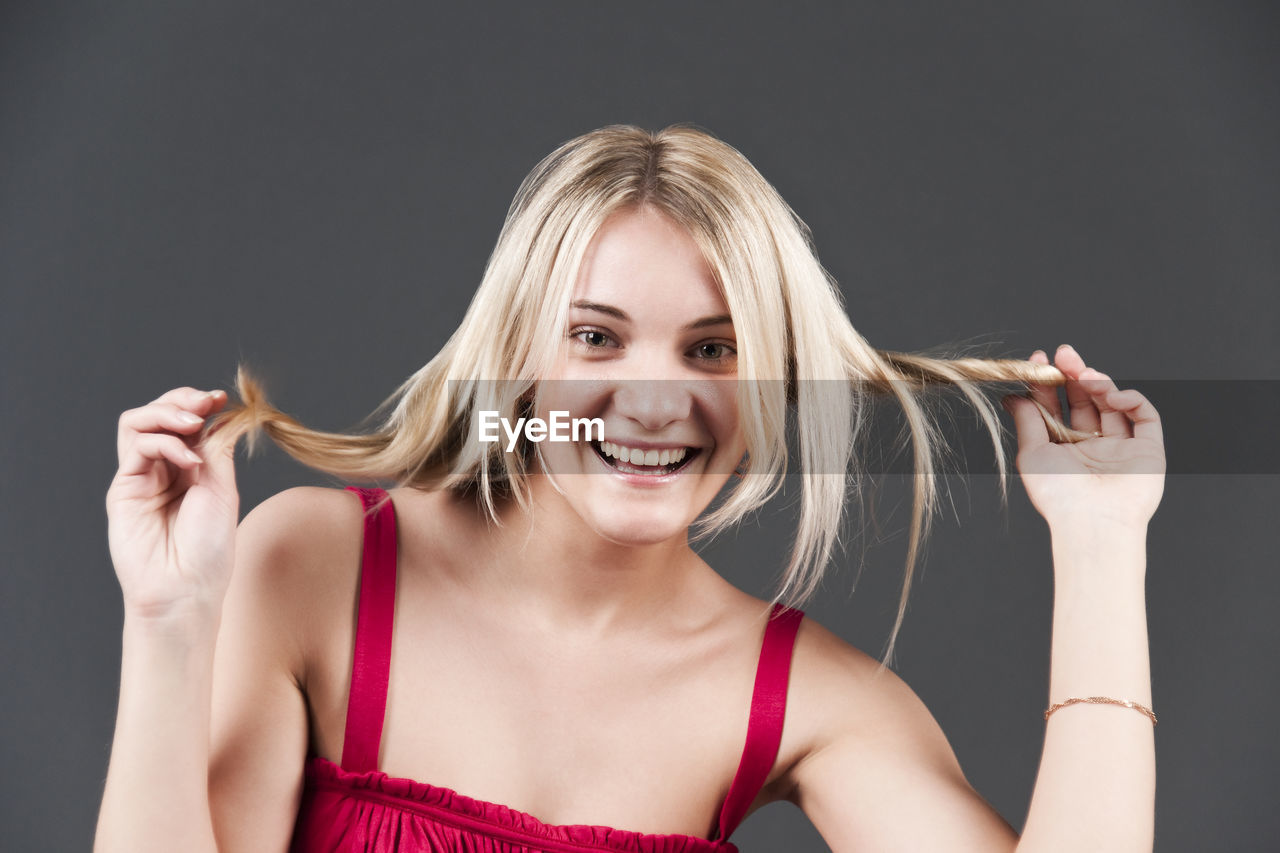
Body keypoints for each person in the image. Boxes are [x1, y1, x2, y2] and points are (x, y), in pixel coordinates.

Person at [95, 124, 1165, 852]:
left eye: (713, 351)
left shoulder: (802, 697)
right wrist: (169, 620)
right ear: (516, 355)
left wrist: (1101, 538)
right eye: (596, 339)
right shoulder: (315, 564)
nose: (654, 406)